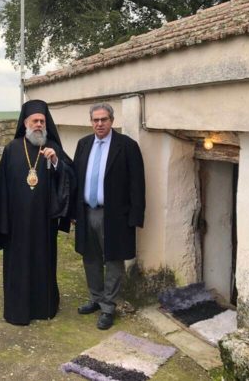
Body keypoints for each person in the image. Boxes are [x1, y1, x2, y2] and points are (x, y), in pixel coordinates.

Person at [0, 99, 74, 326]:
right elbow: (1, 185)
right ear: (25, 123)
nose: (39, 125)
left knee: (44, 262)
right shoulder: (12, 149)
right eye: (34, 121)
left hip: (44, 222)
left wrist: (56, 162)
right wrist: (3, 219)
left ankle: (44, 307)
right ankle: (17, 310)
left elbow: (70, 177)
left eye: (42, 121)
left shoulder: (52, 148)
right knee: (18, 265)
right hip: (17, 222)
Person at [72, 103, 145, 330]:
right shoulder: (83, 144)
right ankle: (95, 298)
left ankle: (108, 306)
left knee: (113, 260)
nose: (100, 124)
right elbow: (76, 180)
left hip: (114, 215)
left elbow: (137, 183)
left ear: (112, 121)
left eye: (104, 119)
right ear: (91, 122)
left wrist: (135, 217)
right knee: (90, 256)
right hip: (87, 211)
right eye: (95, 120)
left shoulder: (127, 146)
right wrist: (74, 212)